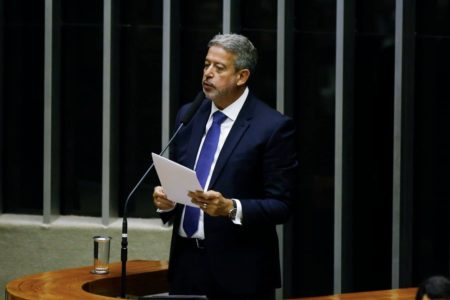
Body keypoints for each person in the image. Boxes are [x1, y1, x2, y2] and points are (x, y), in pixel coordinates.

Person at [153, 33, 297, 300]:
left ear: (241, 76)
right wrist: (168, 201)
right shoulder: (189, 115)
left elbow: (281, 205)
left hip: (240, 272)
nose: (208, 73)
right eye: (206, 64)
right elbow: (181, 183)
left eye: (219, 68)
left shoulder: (271, 127)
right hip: (186, 264)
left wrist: (230, 208)